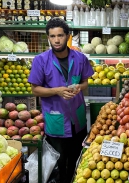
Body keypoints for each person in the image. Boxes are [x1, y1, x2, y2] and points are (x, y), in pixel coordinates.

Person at [28, 17, 94, 183]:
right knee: (59, 164)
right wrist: (57, 91)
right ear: (48, 38)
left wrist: (80, 87)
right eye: (52, 36)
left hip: (77, 121)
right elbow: (35, 89)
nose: (56, 40)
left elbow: (85, 81)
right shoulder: (41, 60)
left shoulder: (80, 58)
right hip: (56, 120)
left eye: (60, 35)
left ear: (67, 36)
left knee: (77, 162)